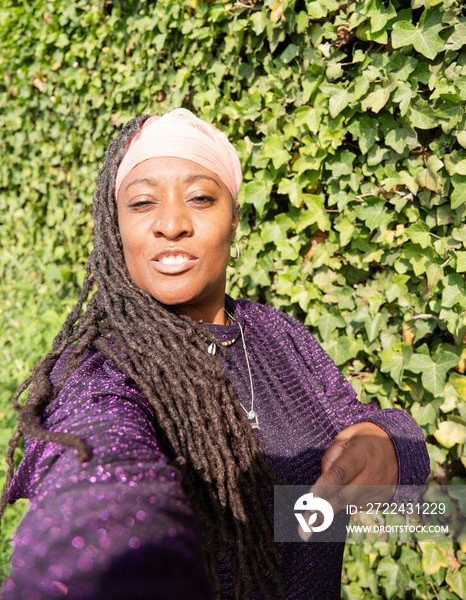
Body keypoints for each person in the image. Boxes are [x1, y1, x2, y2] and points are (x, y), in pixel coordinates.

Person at [0, 109, 429, 600]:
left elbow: (373, 443)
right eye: (142, 203)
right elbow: (96, 474)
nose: (171, 223)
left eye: (200, 197)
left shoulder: (275, 333)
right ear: (115, 229)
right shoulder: (100, 371)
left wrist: (387, 446)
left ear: (235, 219)